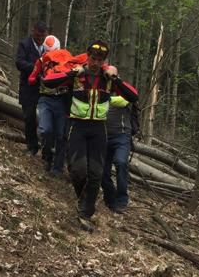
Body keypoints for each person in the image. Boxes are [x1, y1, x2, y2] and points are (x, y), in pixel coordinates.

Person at [43, 40, 138, 231]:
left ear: (104, 61)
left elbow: (133, 96)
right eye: (93, 58)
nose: (95, 63)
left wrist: (116, 79)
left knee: (96, 174)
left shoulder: (108, 78)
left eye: (100, 60)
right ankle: (83, 200)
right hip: (77, 126)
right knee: (78, 171)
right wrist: (72, 73)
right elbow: (47, 82)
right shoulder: (78, 74)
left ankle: (86, 211)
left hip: (98, 129)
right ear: (87, 56)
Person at [29, 35, 72, 177]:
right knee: (46, 130)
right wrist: (35, 78)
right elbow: (32, 76)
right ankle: (47, 156)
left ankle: (58, 167)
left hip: (62, 100)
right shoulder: (42, 61)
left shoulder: (68, 60)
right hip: (45, 99)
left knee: (61, 135)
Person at [15, 21, 47, 155]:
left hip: (45, 88)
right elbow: (19, 62)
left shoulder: (48, 47)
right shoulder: (24, 45)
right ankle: (32, 146)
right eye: (38, 35)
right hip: (28, 87)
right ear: (33, 31)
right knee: (29, 117)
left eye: (42, 36)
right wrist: (36, 69)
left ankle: (47, 149)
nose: (40, 39)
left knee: (45, 118)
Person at [101, 91, 135, 214]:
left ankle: (122, 199)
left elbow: (125, 100)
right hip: (103, 136)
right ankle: (110, 198)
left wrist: (104, 98)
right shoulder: (100, 89)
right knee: (103, 170)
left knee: (120, 162)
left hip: (122, 136)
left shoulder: (123, 92)